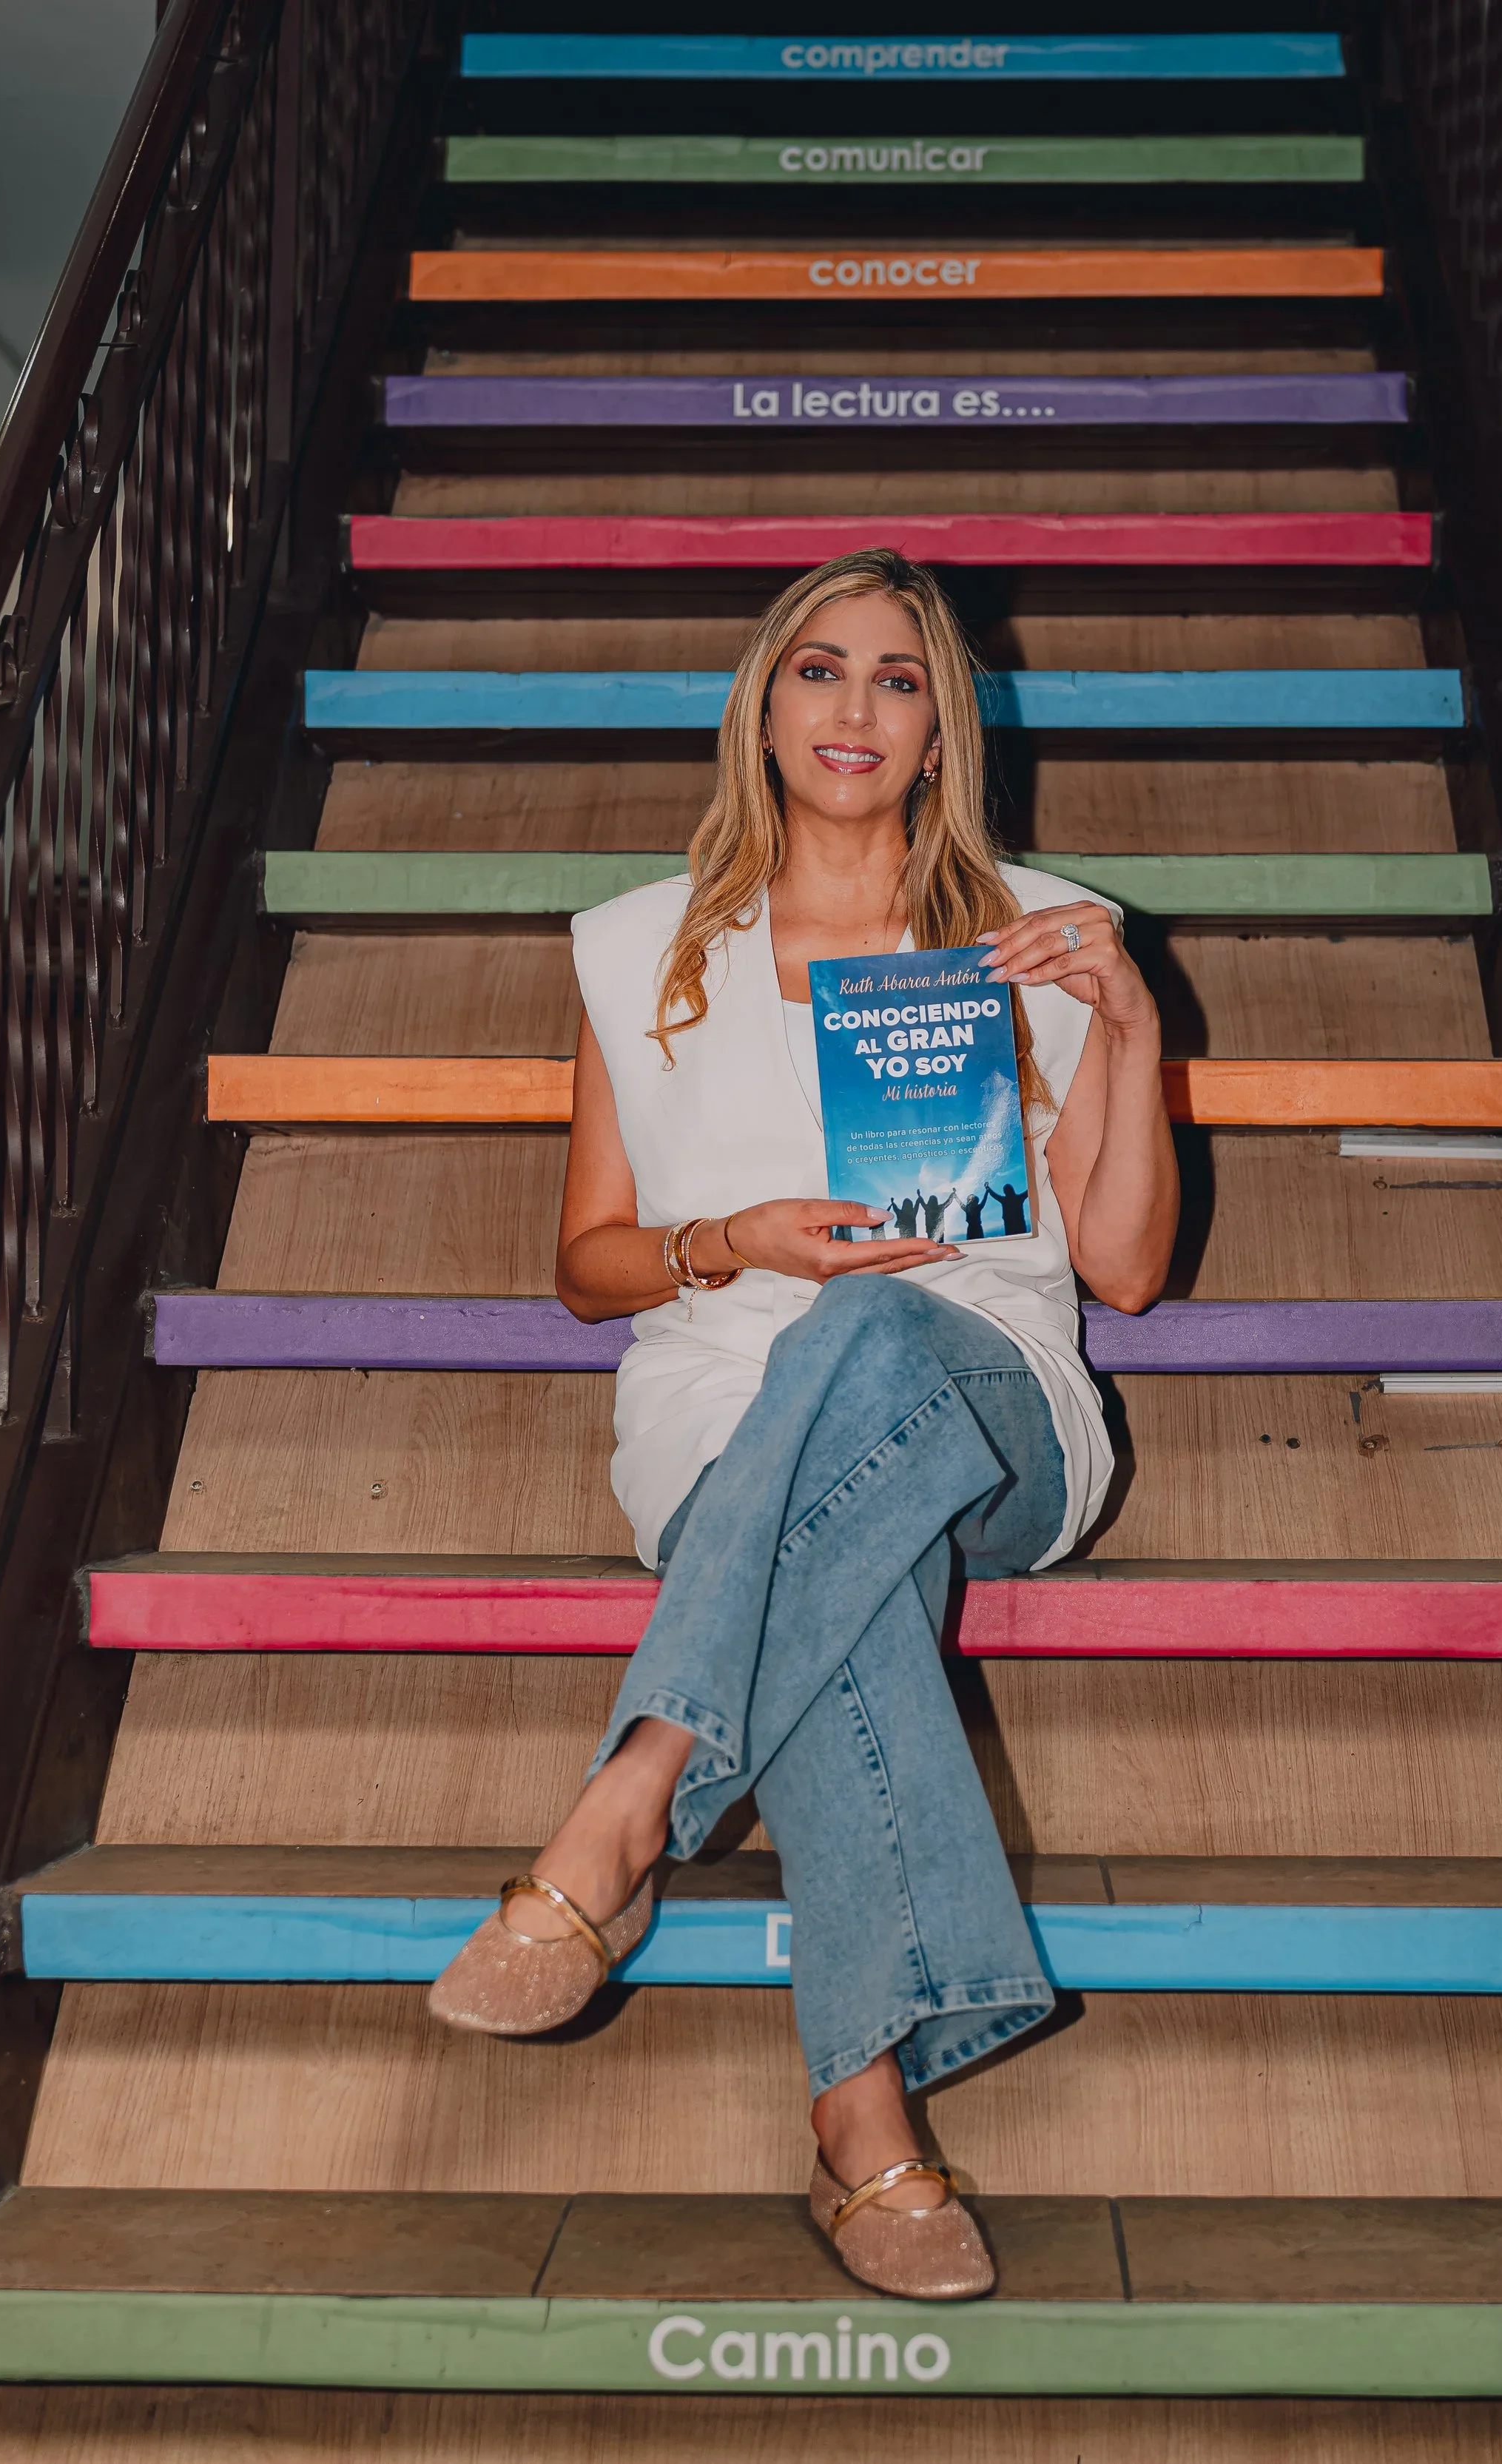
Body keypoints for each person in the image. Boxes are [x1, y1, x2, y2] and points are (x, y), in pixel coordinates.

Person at [430, 549, 1179, 2301]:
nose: (854, 709)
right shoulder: (639, 952)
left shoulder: (1040, 930)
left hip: (996, 1400)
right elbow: (589, 1266)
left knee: (867, 1338)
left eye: (898, 680)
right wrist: (731, 1239)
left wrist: (1128, 1031)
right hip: (723, 1396)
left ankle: (632, 1796)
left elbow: (1129, 1271)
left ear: (941, 729)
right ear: (762, 708)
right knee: (851, 1558)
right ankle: (866, 2129)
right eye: (819, 671)